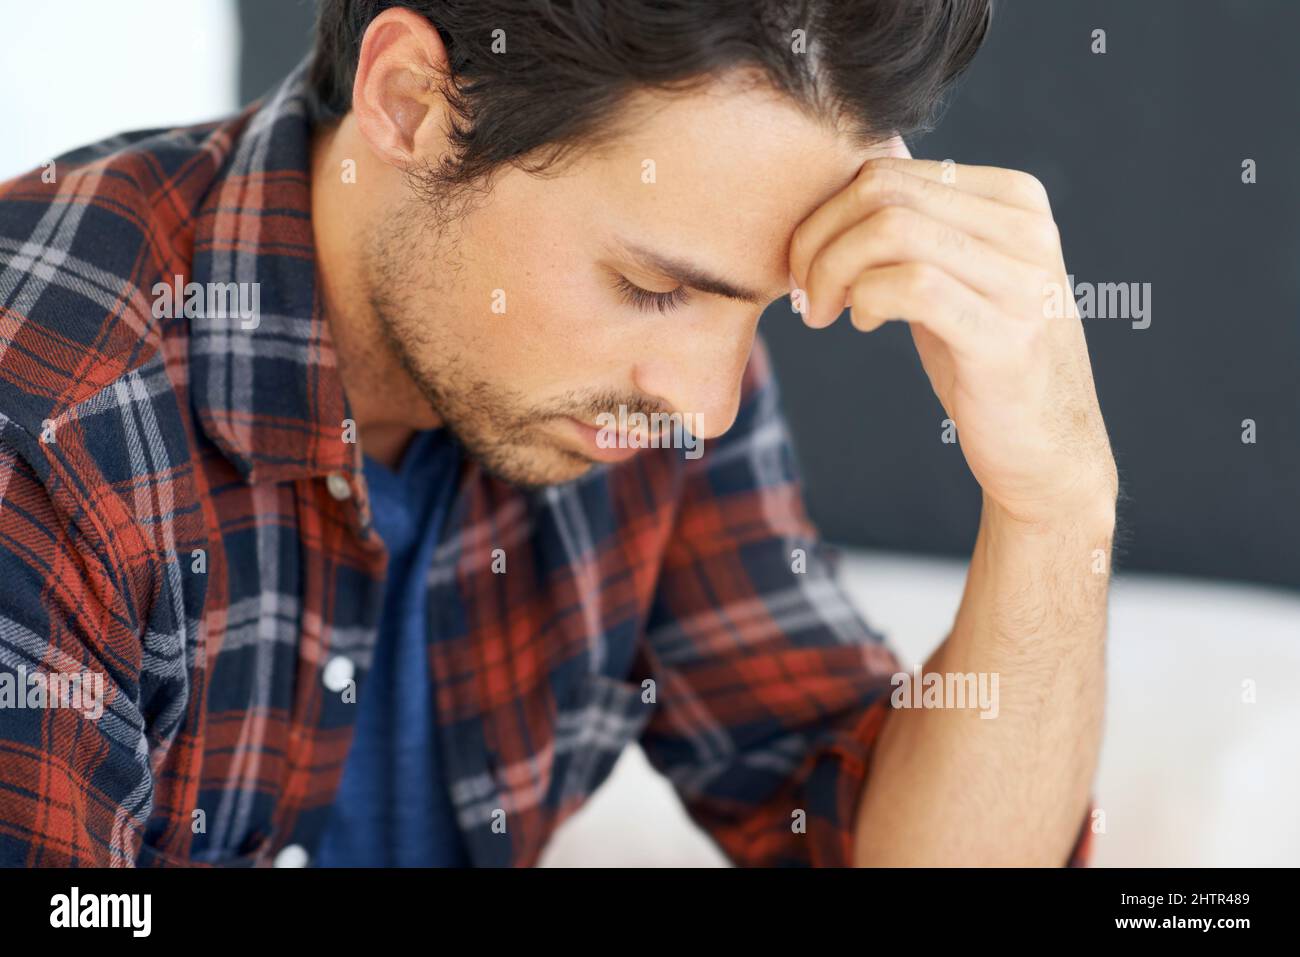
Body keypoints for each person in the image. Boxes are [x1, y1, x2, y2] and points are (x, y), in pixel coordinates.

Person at [0, 0, 1113, 867]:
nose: (706, 407)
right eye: (652, 287)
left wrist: (1055, 506)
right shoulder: (49, 424)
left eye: (755, 307)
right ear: (412, 107)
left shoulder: (648, 397)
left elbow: (876, 848)